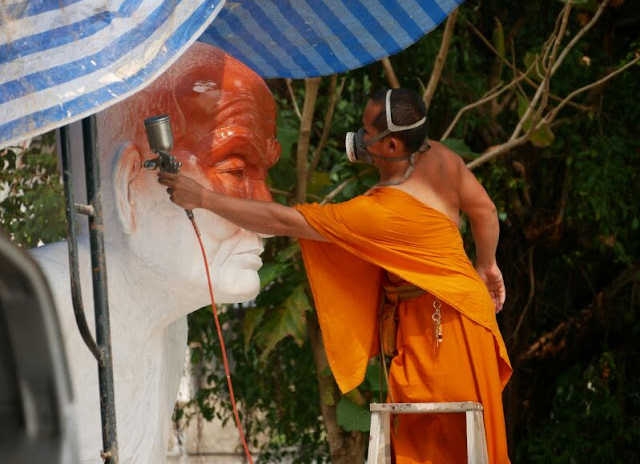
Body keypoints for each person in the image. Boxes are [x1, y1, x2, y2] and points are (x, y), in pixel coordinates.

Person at [159, 88, 512, 463]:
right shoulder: (442, 158)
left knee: (436, 448)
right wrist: (486, 266)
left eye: (366, 131)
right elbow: (485, 212)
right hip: (469, 316)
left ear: (392, 145)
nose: (359, 138)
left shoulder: (377, 213)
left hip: (442, 331)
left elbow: (282, 221)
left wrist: (204, 198)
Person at [32, 42, 280, 464]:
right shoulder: (31, 308)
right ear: (130, 183)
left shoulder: (168, 324)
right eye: (236, 171)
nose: (264, 217)